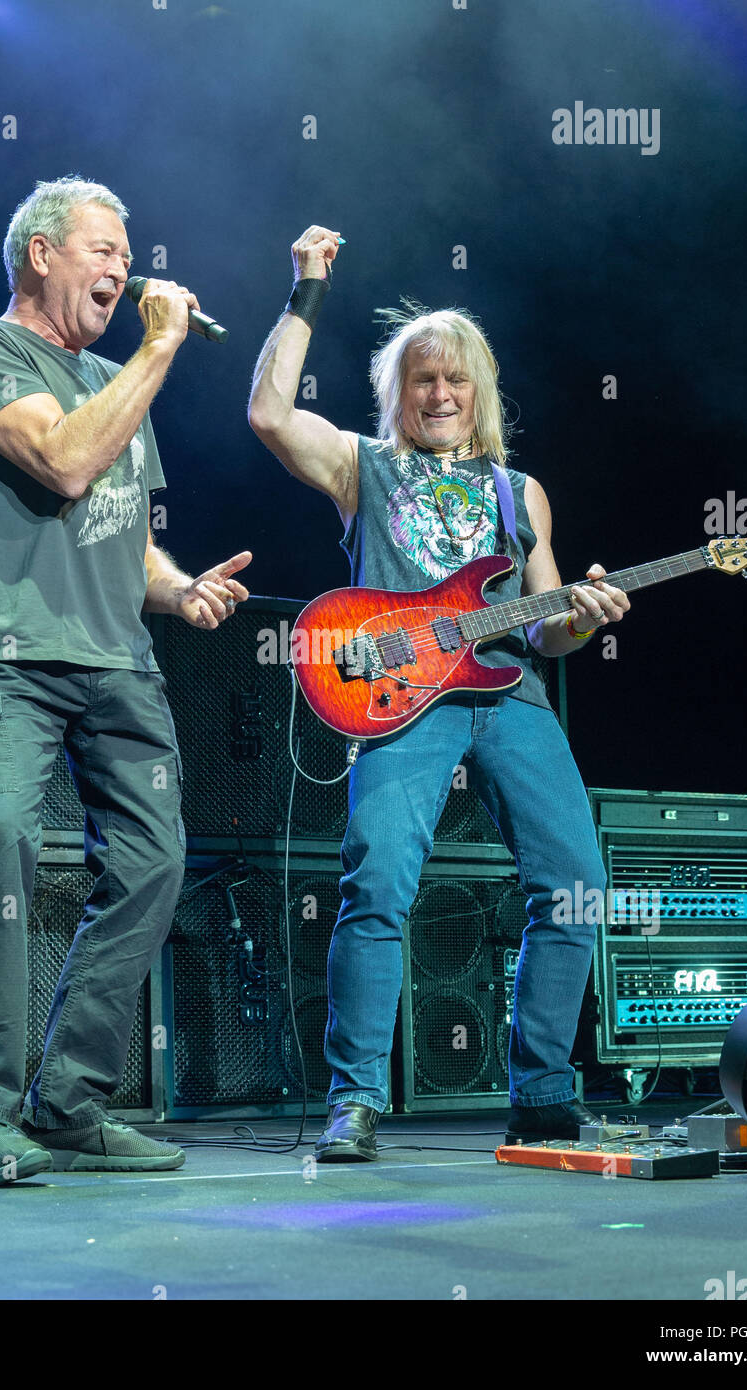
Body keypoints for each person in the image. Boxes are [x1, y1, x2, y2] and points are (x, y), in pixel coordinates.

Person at [248, 226, 629, 1161]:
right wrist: (306, 291)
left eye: (456, 379)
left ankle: (541, 1092)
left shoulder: (519, 491)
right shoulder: (364, 467)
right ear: (400, 393)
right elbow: (266, 413)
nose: (442, 393)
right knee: (377, 884)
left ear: (480, 391)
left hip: (509, 696)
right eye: (423, 379)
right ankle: (357, 1100)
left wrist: (582, 617)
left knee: (576, 883)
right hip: (401, 694)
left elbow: (543, 626)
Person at [0, 176, 251, 1186]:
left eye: (126, 251)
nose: (123, 266)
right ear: (41, 254)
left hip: (118, 660)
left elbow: (115, 525)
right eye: (103, 249)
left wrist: (180, 588)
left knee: (156, 865)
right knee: (5, 840)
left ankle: (68, 1102)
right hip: (17, 657)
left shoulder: (118, 379)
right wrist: (158, 351)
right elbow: (65, 464)